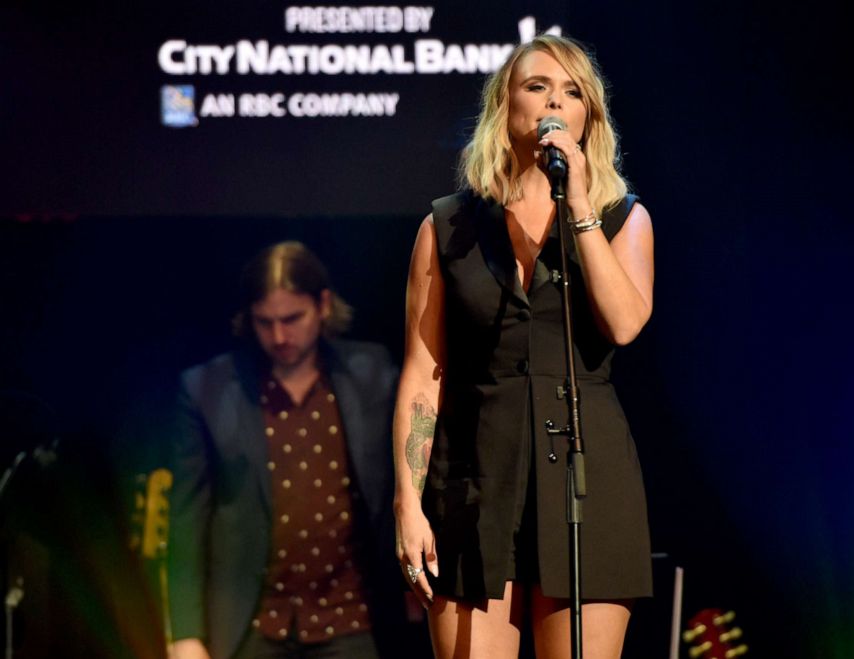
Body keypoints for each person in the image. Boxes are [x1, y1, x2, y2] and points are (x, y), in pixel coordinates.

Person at [392, 34, 654, 659]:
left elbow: (623, 324)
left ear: (589, 116)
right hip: (476, 478)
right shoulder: (447, 226)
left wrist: (582, 206)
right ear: (505, 106)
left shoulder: (622, 218)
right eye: (537, 86)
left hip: (587, 481)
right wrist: (407, 502)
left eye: (571, 92)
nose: (553, 103)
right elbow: (424, 371)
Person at [168, 241, 404, 659]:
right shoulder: (208, 388)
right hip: (253, 623)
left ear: (323, 305)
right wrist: (184, 633)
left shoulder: (372, 374)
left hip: (352, 619)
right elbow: (186, 521)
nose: (279, 336)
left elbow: (400, 489)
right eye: (265, 322)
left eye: (292, 318)